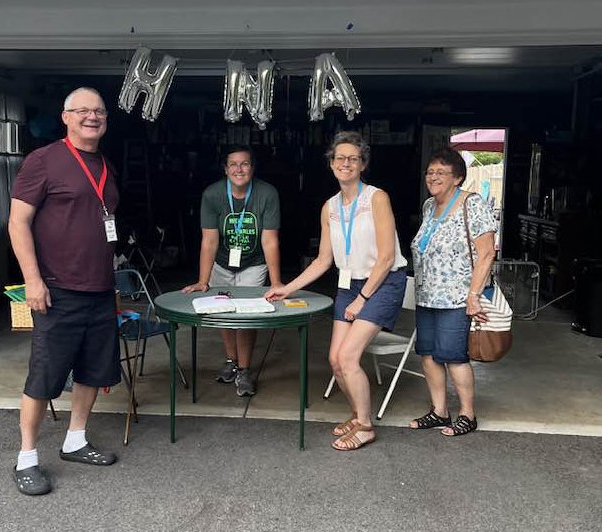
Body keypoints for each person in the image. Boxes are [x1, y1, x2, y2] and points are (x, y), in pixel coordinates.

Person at [8, 87, 120, 496]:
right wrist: (32, 281)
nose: (93, 117)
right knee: (45, 375)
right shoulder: (43, 161)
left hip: (99, 288)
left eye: (100, 112)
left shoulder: (104, 164)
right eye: (84, 111)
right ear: (66, 116)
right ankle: (26, 458)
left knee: (93, 370)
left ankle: (75, 439)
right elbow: (17, 223)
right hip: (56, 290)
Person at [266, 131, 408, 451]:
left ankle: (367, 426)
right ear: (331, 165)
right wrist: (286, 288)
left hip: (381, 282)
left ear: (362, 164)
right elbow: (323, 260)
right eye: (340, 158)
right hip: (349, 282)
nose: (346, 163)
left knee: (348, 356)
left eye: (353, 159)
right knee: (334, 359)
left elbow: (386, 257)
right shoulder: (329, 207)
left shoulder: (376, 198)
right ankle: (357, 415)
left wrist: (362, 298)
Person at [409, 147, 496, 436]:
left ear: (457, 178)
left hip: (457, 298)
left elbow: (486, 254)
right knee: (428, 354)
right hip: (427, 295)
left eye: (441, 172)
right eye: (430, 171)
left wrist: (474, 296)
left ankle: (467, 415)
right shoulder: (427, 206)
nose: (433, 177)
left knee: (454, 355)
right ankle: (439, 411)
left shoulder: (472, 204)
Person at [182, 145, 282, 397]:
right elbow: (209, 241)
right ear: (226, 170)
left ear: (252, 168)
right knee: (223, 309)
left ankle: (245, 370)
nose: (239, 169)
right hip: (222, 262)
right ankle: (231, 361)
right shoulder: (213, 194)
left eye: (245, 164)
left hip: (254, 262)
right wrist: (203, 280)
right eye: (234, 164)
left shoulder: (267, 193)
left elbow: (269, 240)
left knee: (246, 316)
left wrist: (276, 282)